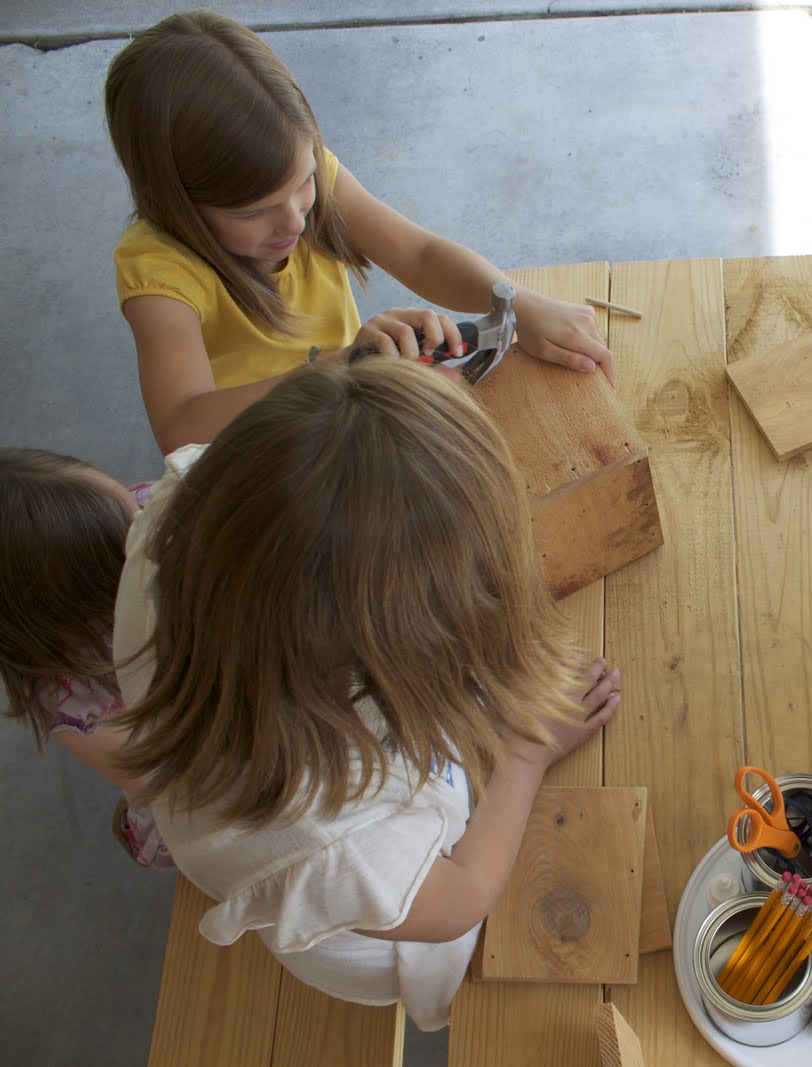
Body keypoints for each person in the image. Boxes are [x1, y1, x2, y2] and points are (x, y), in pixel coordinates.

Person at [112, 356, 621, 1030]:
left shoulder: (184, 518)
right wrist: (526, 754)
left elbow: (338, 482)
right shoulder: (328, 833)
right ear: (381, 652)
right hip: (378, 932)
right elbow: (461, 898)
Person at [106, 10, 616, 454]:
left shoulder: (304, 184)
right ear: (167, 200)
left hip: (339, 411)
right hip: (254, 460)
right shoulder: (160, 274)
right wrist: (339, 366)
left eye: (304, 182)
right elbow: (181, 426)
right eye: (252, 212)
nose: (295, 220)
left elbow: (418, 254)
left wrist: (520, 305)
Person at [0, 448, 171, 868]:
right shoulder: (76, 705)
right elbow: (174, 782)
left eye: (135, 509)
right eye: (132, 541)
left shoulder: (131, 515)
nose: (146, 530)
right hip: (192, 781)